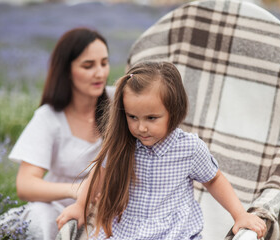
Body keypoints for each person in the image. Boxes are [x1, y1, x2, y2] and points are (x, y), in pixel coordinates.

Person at [56, 61, 267, 239]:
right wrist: (80, 206)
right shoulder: (122, 144)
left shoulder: (189, 148)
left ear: (173, 112)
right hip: (128, 231)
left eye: (151, 118)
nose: (141, 127)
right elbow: (99, 174)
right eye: (132, 117)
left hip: (175, 232)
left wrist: (239, 214)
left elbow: (213, 179)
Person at [0, 27, 114, 240]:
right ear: (67, 71)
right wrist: (77, 190)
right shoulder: (49, 117)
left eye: (104, 63)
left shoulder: (118, 104)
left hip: (107, 207)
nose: (100, 73)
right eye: (88, 65)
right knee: (39, 217)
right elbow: (25, 185)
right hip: (59, 209)